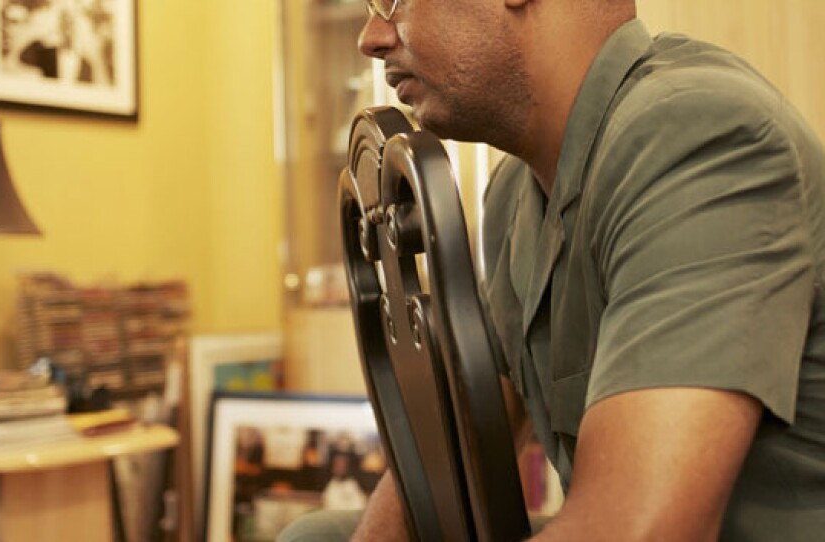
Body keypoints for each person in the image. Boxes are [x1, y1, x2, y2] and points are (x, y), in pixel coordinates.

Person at [280, 0, 825, 540]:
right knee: (317, 535)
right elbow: (456, 440)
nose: (371, 37)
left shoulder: (699, 137)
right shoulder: (515, 194)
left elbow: (641, 531)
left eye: (395, 1)